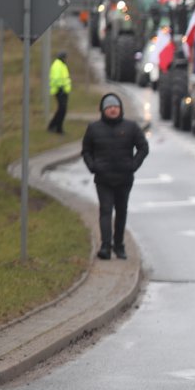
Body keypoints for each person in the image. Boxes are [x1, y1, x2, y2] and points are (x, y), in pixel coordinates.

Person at [81, 92, 148, 260]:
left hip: (124, 178)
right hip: (103, 178)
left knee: (121, 211)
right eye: (109, 107)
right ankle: (105, 245)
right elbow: (86, 150)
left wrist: (133, 165)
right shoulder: (94, 128)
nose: (112, 110)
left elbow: (143, 147)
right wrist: (92, 166)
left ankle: (119, 245)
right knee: (105, 210)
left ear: (120, 109)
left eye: (115, 107)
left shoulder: (131, 127)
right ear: (103, 110)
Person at [48, 51, 72, 134]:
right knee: (62, 110)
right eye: (65, 57)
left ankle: (54, 126)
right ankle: (57, 128)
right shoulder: (57, 65)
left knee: (62, 110)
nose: (66, 59)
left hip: (63, 91)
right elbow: (56, 78)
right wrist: (61, 88)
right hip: (60, 91)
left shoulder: (61, 65)